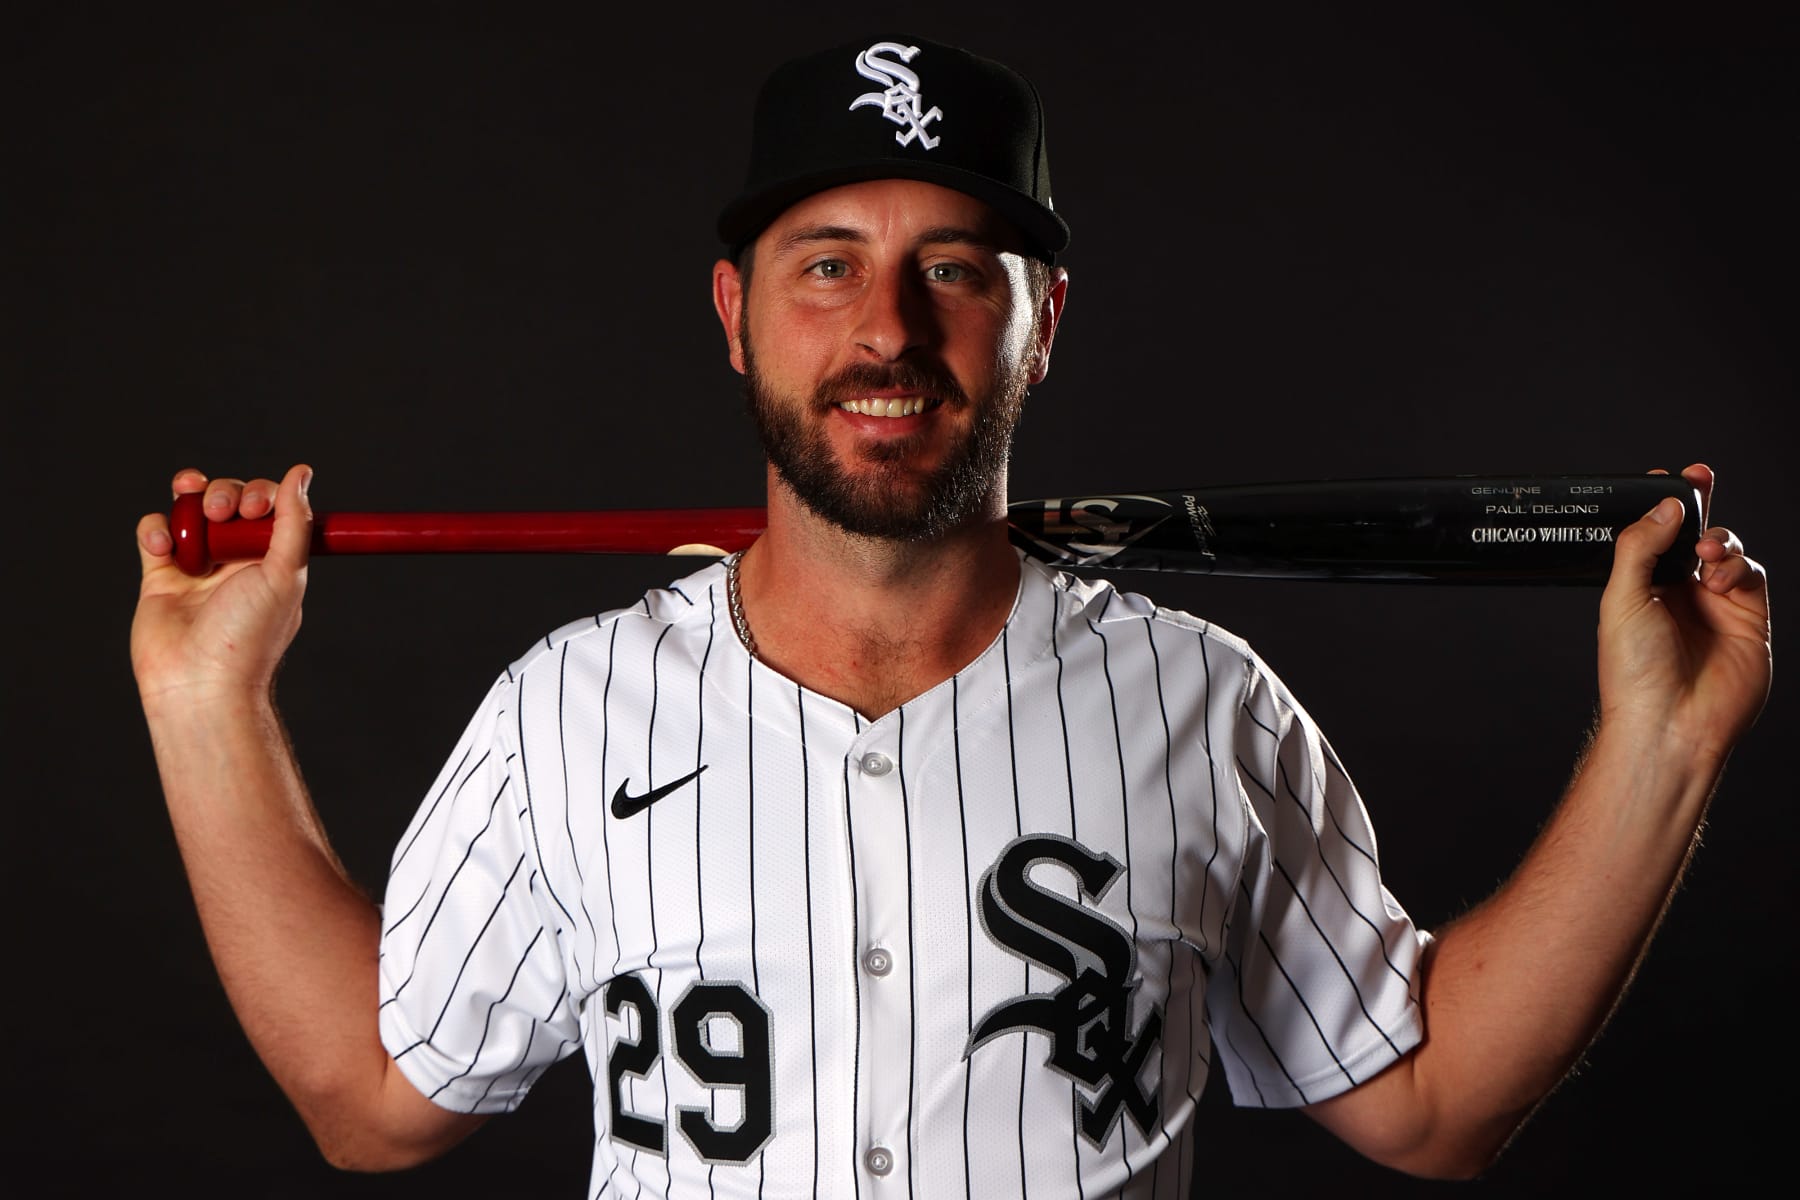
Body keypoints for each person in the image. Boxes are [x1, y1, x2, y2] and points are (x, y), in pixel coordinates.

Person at [131, 35, 1770, 1198]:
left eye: (958, 269)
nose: (887, 331)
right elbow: (369, 1104)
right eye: (825, 263)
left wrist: (1665, 739)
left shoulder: (1205, 703)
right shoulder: (569, 710)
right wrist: (207, 707)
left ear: (1042, 321)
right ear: (736, 315)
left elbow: (1431, 1106)